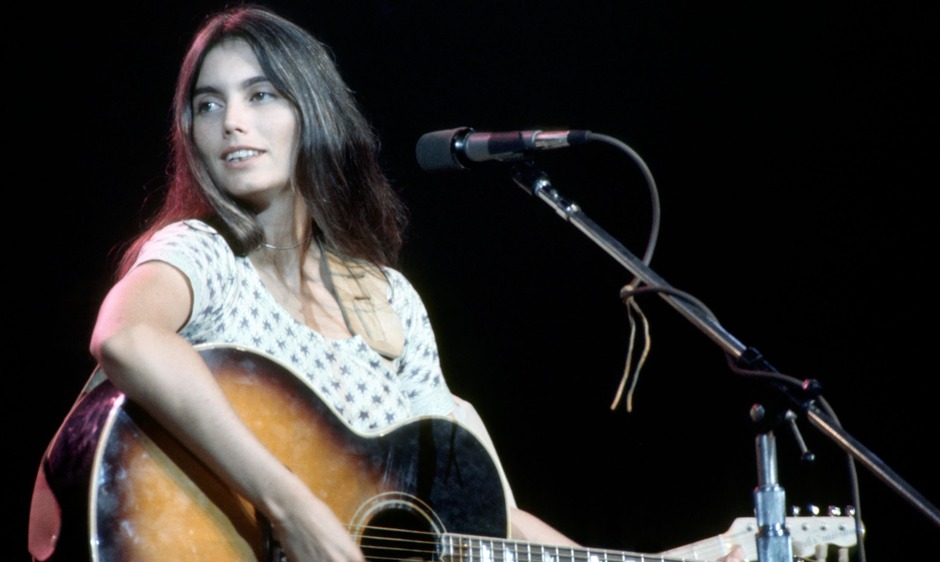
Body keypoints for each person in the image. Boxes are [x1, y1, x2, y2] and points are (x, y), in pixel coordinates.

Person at [30, 5, 744, 562]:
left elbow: (476, 514)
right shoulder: (200, 254)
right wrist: (292, 508)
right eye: (207, 104)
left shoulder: (387, 299)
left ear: (314, 113)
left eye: (261, 94)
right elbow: (125, 335)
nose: (231, 123)